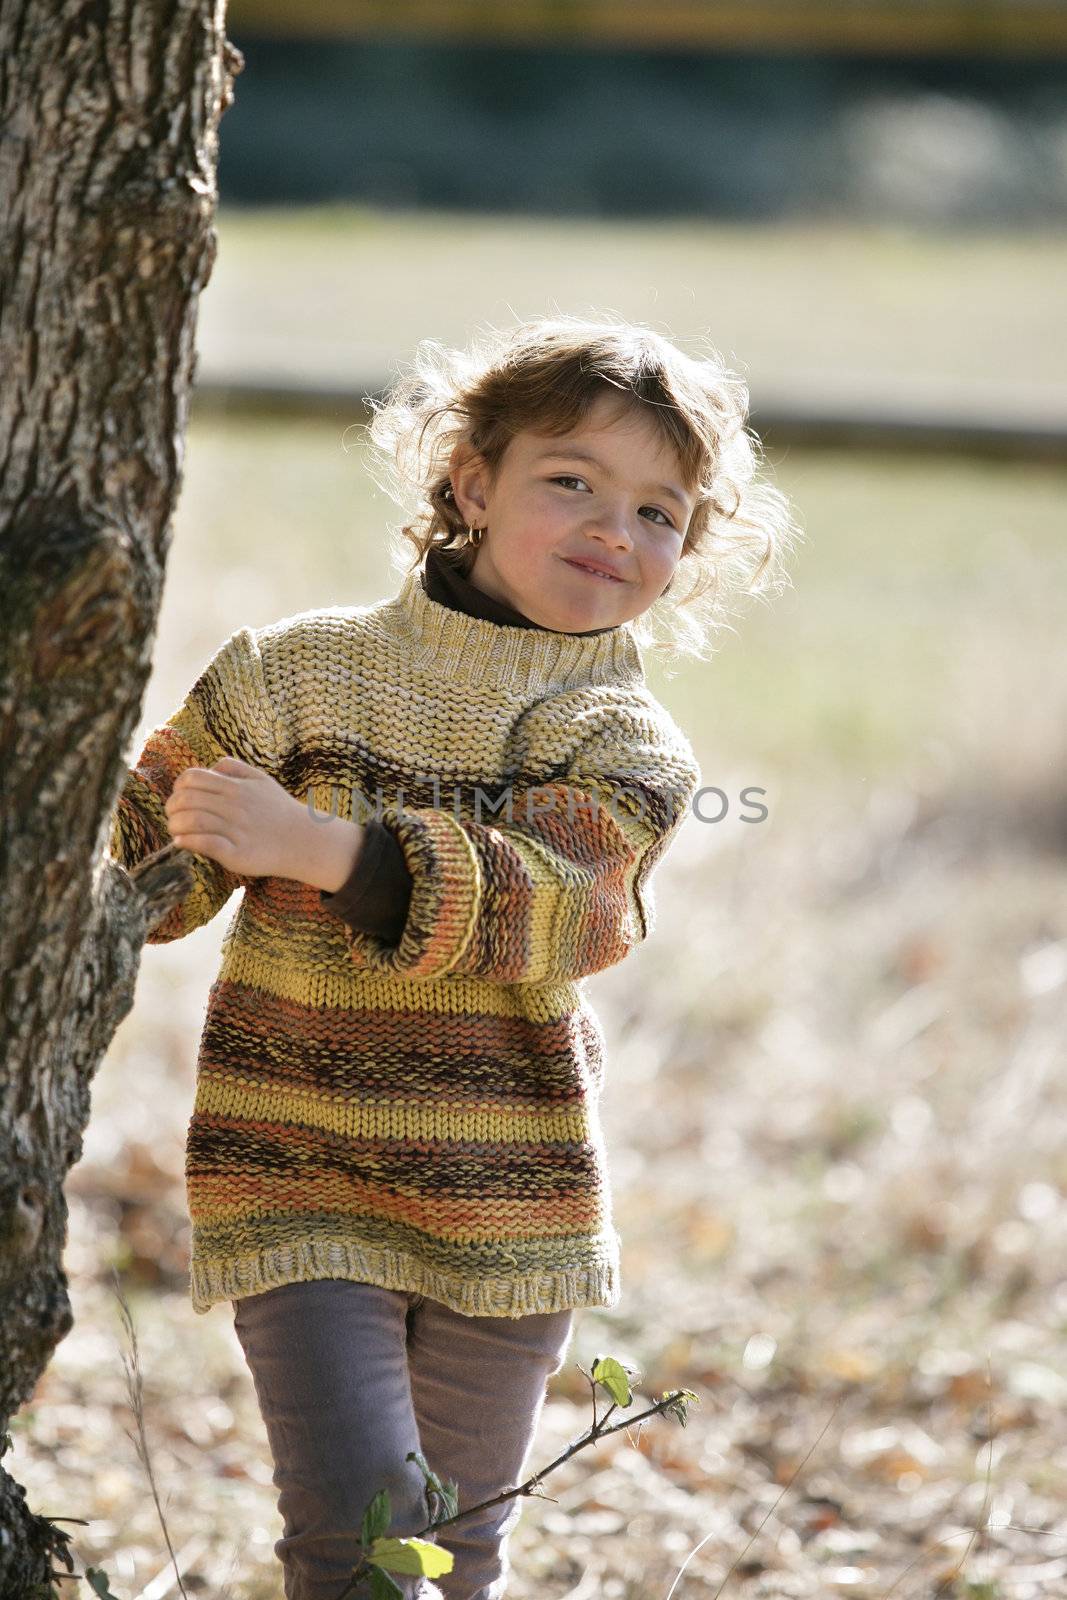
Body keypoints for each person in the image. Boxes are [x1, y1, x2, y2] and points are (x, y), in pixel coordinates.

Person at [109, 313, 801, 1600]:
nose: (615, 527)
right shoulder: (296, 673)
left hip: (509, 1197)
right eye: (571, 482)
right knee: (359, 1536)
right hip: (299, 1169)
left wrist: (327, 850)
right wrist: (159, 833)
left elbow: (561, 909)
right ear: (470, 484)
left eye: (661, 510)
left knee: (451, 1547)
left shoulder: (623, 739)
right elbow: (143, 878)